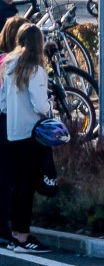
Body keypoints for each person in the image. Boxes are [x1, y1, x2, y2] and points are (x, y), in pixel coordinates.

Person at [0, 25, 54, 250]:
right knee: (28, 186)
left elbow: (3, 102)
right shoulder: (35, 70)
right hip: (32, 132)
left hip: (13, 131)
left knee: (18, 183)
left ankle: (15, 233)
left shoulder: (9, 66)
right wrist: (50, 106)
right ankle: (23, 236)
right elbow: (40, 105)